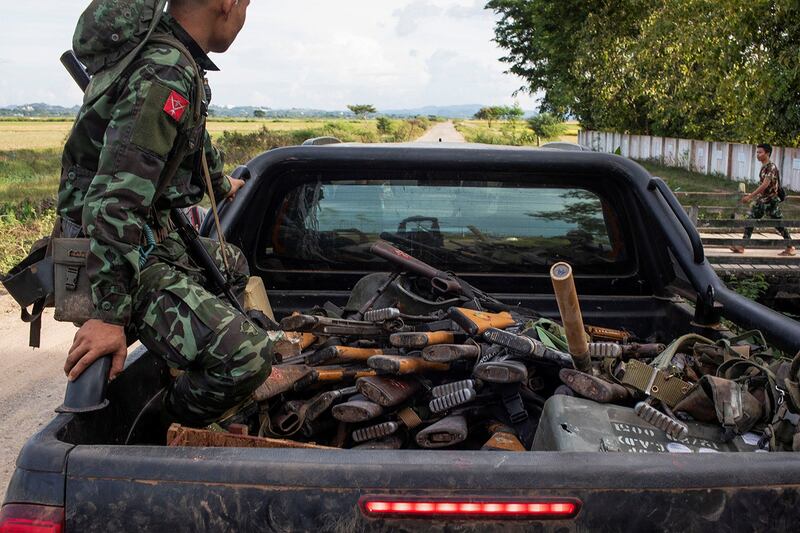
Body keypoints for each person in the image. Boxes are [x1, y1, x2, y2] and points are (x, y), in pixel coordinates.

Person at [58, 0, 276, 428]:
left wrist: (221, 179)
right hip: (108, 258)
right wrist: (108, 316)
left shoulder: (172, 58)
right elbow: (115, 200)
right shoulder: (166, 70)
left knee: (229, 262)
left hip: (141, 240)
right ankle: (163, 424)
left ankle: (186, 363)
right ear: (226, 3)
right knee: (247, 357)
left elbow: (186, 140)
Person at [731, 143, 795, 256]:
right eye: (757, 152)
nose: (758, 154)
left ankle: (790, 246)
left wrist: (750, 196)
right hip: (762, 200)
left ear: (767, 153)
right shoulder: (764, 167)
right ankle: (742, 246)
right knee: (751, 220)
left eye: (760, 152)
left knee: (778, 224)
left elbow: (765, 185)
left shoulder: (771, 167)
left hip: (771, 201)